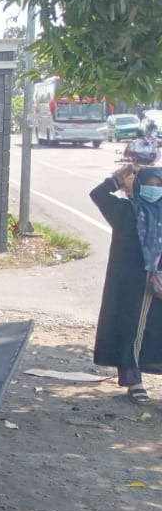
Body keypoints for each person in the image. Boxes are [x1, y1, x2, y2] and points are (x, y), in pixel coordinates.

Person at [90, 162, 162, 402]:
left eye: (159, 185)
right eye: (150, 185)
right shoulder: (126, 211)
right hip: (131, 283)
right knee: (132, 331)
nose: (154, 189)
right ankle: (134, 382)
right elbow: (98, 194)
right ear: (139, 186)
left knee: (156, 332)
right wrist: (119, 179)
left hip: (160, 284)